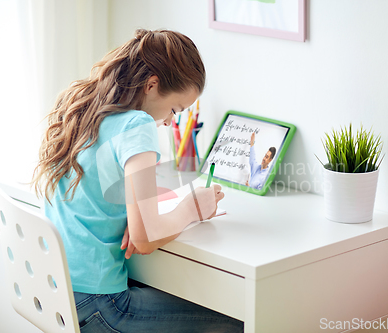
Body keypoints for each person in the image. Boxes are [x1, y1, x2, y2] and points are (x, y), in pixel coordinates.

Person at [32, 29, 243, 333]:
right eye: (174, 109)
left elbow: (98, 191)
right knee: (237, 321)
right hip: (99, 305)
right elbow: (144, 240)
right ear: (153, 84)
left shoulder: (83, 107)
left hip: (56, 296)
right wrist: (192, 208)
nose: (171, 122)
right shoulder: (137, 123)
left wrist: (139, 214)